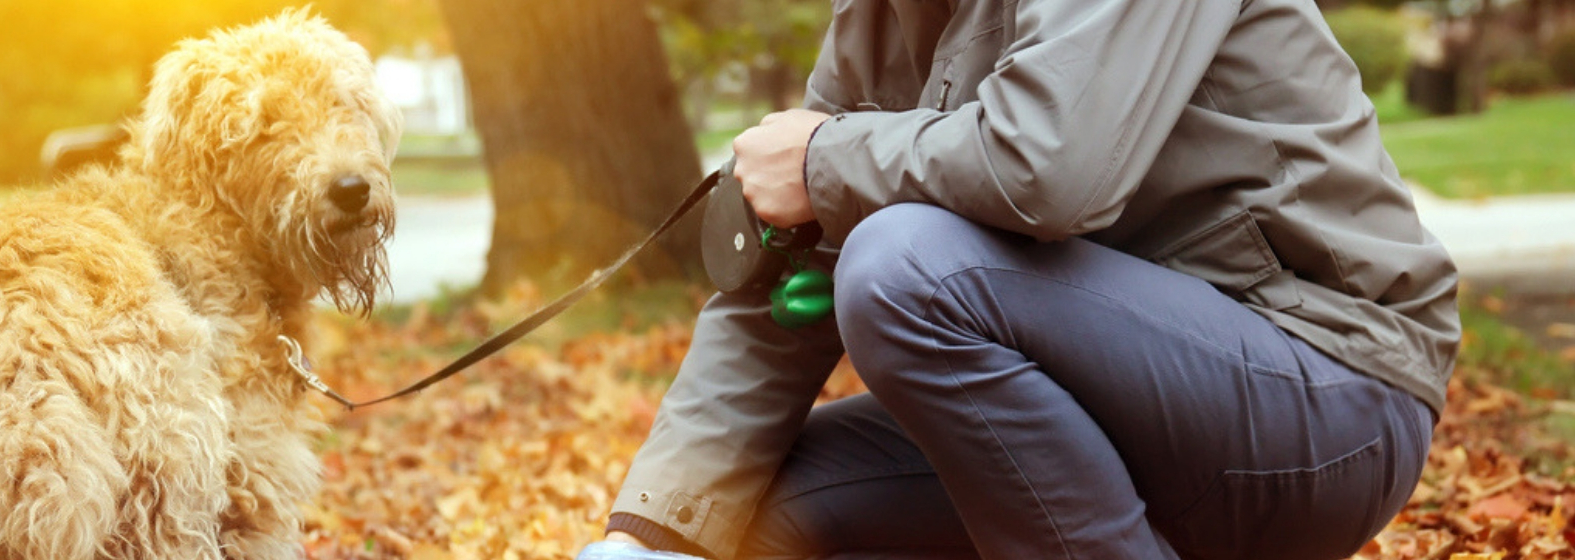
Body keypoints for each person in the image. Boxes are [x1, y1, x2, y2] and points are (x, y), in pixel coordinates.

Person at [576, 0, 1459, 558]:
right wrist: (648, 534)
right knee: (745, 517)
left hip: (1321, 397)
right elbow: (790, 275)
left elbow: (1047, 167)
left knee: (902, 267)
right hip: (1109, 412)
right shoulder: (877, 18)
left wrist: (823, 159)